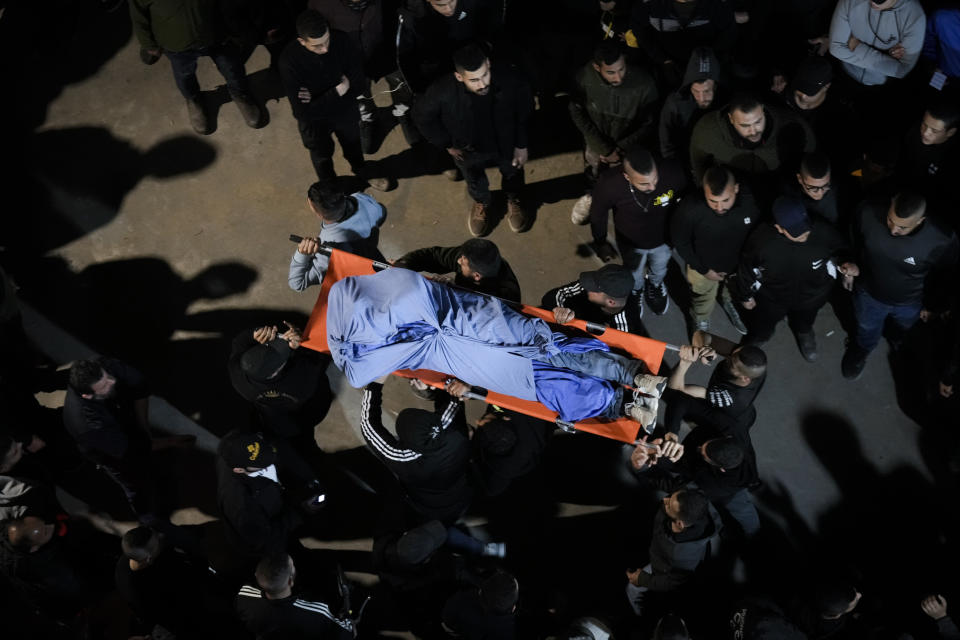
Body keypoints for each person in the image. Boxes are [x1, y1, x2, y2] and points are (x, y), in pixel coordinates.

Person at [413, 42, 534, 236]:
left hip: (506, 142)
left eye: (485, 74)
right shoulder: (443, 91)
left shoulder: (510, 79)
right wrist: (447, 144)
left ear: (488, 63)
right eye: (474, 80)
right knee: (474, 179)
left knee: (513, 172)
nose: (483, 83)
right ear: (459, 77)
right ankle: (482, 202)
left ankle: (513, 198)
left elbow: (524, 111)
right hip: (468, 149)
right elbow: (422, 116)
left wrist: (521, 144)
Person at [842, 191, 959, 379]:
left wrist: (934, 306)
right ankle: (862, 350)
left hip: (910, 303)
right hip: (870, 294)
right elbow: (853, 241)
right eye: (890, 220)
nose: (893, 230)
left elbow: (945, 276)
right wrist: (849, 265)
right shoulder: (867, 212)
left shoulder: (941, 240)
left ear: (920, 221)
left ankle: (898, 346)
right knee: (866, 328)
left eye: (902, 228)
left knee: (902, 331)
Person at [731, 196, 858, 361]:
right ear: (779, 228)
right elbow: (746, 269)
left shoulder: (823, 230)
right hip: (772, 297)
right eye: (796, 233)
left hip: (813, 295)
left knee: (805, 320)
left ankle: (804, 333)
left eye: (805, 230)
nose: (804, 236)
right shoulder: (761, 241)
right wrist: (746, 295)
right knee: (764, 324)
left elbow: (841, 249)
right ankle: (760, 337)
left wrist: (847, 265)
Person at [278, 10, 391, 191]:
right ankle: (331, 187)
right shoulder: (289, 62)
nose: (325, 49)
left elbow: (359, 83)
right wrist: (339, 89)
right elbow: (302, 112)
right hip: (316, 122)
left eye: (327, 40)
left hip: (344, 111)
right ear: (301, 41)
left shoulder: (341, 41)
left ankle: (361, 170)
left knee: (353, 144)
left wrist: (316, 97)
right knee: (321, 155)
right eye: (317, 46)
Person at [129, 0, 262, 134]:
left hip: (217, 35)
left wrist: (237, 26)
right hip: (176, 44)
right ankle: (193, 100)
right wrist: (148, 44)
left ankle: (240, 93)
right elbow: (138, 16)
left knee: (232, 67)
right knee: (184, 74)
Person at [589, 148, 687, 317]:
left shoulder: (673, 172)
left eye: (655, 179)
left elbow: (689, 198)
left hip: (664, 239)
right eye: (644, 184)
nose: (653, 186)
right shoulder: (609, 184)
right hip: (630, 242)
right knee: (633, 273)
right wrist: (600, 241)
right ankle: (636, 290)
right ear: (627, 177)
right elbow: (598, 214)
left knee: (660, 267)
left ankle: (655, 285)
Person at [568, 40, 659, 223]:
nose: (618, 78)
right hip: (597, 143)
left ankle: (624, 204)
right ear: (597, 67)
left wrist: (620, 149)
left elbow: (649, 123)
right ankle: (593, 196)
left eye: (622, 69)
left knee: (627, 178)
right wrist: (603, 148)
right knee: (594, 170)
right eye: (610, 72)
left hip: (630, 145)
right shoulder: (584, 78)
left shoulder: (644, 84)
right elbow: (577, 112)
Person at [360, 377, 473, 523]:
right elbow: (451, 398)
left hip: (424, 505)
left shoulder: (403, 459)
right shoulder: (453, 428)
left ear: (405, 442)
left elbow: (368, 426)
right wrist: (428, 388)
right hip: (460, 496)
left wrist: (375, 384)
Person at [62, 357, 158, 523]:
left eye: (108, 377)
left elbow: (139, 385)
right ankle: (145, 516)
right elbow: (127, 451)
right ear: (87, 395)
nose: (112, 382)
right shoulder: (87, 424)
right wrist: (172, 441)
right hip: (106, 451)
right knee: (131, 482)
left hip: (116, 420)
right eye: (104, 386)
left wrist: (143, 428)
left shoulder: (103, 369)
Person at [671, 166, 758, 334]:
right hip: (703, 268)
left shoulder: (750, 203)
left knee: (730, 292)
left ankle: (727, 302)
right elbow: (680, 242)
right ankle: (701, 319)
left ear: (736, 189)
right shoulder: (690, 208)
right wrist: (703, 269)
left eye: (726, 200)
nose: (719, 207)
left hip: (736, 268)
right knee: (702, 298)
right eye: (713, 201)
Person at [215, 430, 325, 557]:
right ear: (239, 470)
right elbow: (263, 539)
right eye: (261, 464)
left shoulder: (234, 442)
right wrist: (299, 513)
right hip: (263, 540)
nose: (270, 462)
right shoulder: (241, 504)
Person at [688, 93, 816, 198]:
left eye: (758, 121)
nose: (754, 131)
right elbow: (698, 162)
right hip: (734, 197)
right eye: (745, 126)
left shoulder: (791, 125)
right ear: (731, 119)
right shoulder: (708, 131)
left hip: (779, 194)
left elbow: (810, 158)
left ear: (763, 110)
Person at [308, 0, 397, 152]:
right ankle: (368, 118)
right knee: (360, 96)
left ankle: (403, 112)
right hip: (350, 63)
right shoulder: (320, 4)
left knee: (400, 85)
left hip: (386, 51)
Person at [115, 527, 234, 639]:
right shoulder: (138, 589)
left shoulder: (130, 560)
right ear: (149, 559)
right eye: (157, 542)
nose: (161, 536)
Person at [637, 432, 760, 538]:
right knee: (746, 511)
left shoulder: (710, 485)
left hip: (724, 493)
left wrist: (652, 463)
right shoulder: (740, 443)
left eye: (703, 454)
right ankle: (753, 532)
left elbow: (681, 482)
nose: (699, 448)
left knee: (740, 510)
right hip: (739, 482)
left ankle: (752, 536)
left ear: (720, 469)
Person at [227, 323, 332, 443]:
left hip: (273, 414)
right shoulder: (303, 380)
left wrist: (254, 333)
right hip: (309, 409)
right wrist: (302, 342)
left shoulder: (239, 377)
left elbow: (239, 343)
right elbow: (321, 357)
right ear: (276, 371)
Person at [624, 489, 721, 614]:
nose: (665, 500)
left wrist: (642, 579)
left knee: (631, 589)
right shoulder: (691, 504)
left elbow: (673, 582)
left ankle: (640, 616)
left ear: (680, 524)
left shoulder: (682, 556)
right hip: (659, 551)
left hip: (663, 568)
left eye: (669, 504)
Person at [662, 341, 767, 444]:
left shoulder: (728, 397)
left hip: (724, 420)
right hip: (745, 412)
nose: (727, 357)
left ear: (745, 378)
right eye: (731, 355)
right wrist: (705, 347)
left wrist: (685, 362)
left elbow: (676, 391)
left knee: (680, 403)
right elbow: (701, 334)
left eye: (731, 364)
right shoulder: (751, 364)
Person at [289, 183, 388, 292]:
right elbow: (382, 212)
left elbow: (297, 283)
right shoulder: (362, 198)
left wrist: (302, 254)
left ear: (314, 208)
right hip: (373, 258)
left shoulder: (329, 248)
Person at [235, 552, 355, 639]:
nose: (294, 567)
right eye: (293, 567)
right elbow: (347, 633)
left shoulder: (243, 596)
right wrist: (349, 620)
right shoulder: (318, 612)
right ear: (290, 582)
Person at [628, 0, 736, 87]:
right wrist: (661, 58)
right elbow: (639, 29)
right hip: (669, 65)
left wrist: (711, 61)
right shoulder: (650, 4)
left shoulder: (717, 5)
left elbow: (728, 34)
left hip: (706, 66)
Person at [828, 0, 926, 86]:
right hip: (845, 71)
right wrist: (886, 61)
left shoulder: (914, 16)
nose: (873, 2)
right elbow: (835, 47)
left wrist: (858, 48)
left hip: (882, 84)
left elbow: (902, 70)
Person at [392, 238, 521, 303]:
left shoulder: (505, 298)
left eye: (463, 263)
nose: (459, 261)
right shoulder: (472, 258)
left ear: (477, 276)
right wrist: (403, 266)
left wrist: (450, 293)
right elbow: (432, 256)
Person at [659, 47, 722, 168]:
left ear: (715, 85)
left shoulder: (726, 100)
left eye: (707, 91)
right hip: (686, 160)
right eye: (696, 91)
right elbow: (666, 142)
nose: (701, 98)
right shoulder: (675, 103)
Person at [540, 264, 643, 335]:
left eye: (593, 289)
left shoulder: (625, 328)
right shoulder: (593, 286)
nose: (587, 287)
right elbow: (554, 295)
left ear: (610, 302)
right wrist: (558, 308)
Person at [898, 101, 959, 214]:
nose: (925, 133)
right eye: (924, 125)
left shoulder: (952, 157)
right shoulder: (914, 131)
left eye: (934, 131)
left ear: (950, 132)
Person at [442, 570, 519, 639]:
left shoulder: (460, 601)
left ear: (480, 591)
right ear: (513, 608)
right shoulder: (506, 632)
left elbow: (447, 624)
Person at [784, 152, 842, 228]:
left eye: (825, 185)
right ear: (800, 179)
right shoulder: (789, 194)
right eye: (813, 188)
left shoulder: (839, 194)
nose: (820, 193)